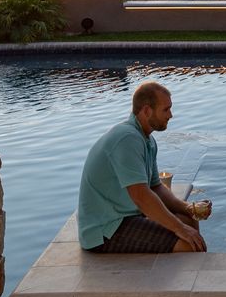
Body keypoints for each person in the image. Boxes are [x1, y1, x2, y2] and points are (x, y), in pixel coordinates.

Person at [77, 81, 209, 253]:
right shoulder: (127, 139)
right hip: (106, 229)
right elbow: (141, 196)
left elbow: (155, 187)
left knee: (188, 219)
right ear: (147, 111)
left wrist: (187, 208)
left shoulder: (146, 140)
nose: (171, 115)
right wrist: (180, 229)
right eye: (166, 109)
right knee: (188, 245)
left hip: (127, 217)